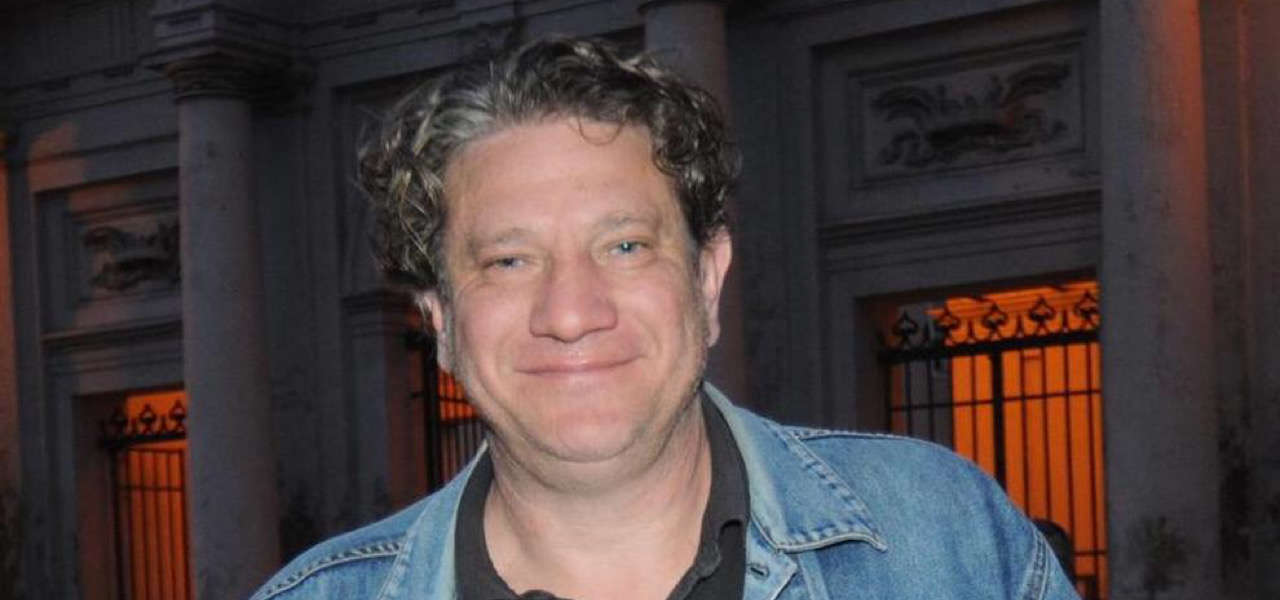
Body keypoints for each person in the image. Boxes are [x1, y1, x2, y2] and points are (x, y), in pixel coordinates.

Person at [251, 37, 1077, 600]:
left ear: (707, 281)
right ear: (441, 320)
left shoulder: (940, 534)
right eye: (508, 261)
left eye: (625, 247)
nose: (571, 313)